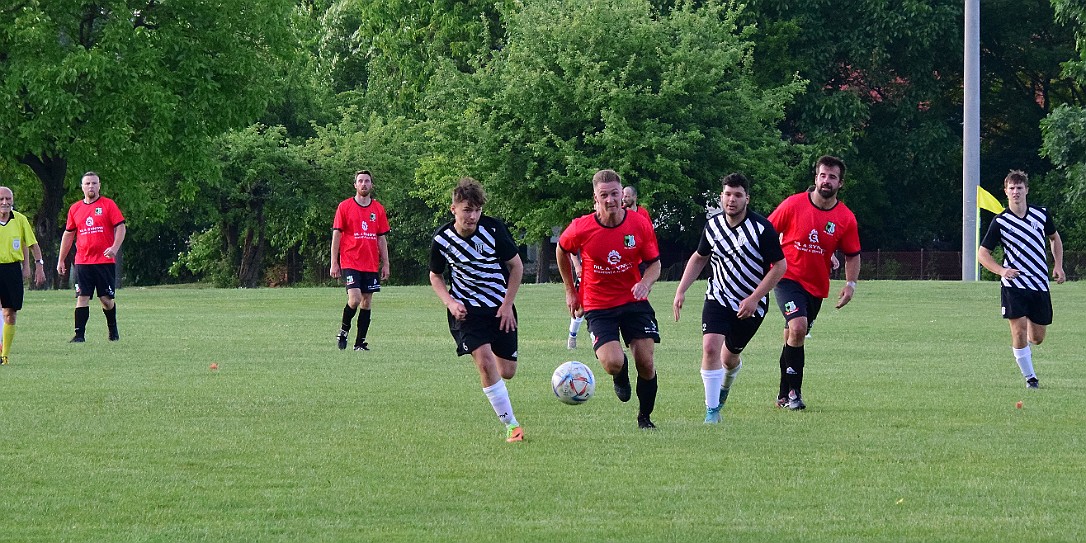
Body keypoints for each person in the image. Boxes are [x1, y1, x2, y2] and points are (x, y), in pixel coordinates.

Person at [673, 173, 787, 423]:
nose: (731, 200)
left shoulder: (761, 228)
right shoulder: (712, 225)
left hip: (750, 305)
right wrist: (681, 289)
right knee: (710, 347)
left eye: (737, 195)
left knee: (729, 356)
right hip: (717, 297)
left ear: (747, 198)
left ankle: (724, 387)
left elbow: (779, 266)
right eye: (727, 194)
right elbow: (699, 257)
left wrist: (755, 297)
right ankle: (711, 411)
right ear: (721, 197)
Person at [557, 169, 662, 429]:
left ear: (622, 194)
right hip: (598, 304)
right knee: (612, 362)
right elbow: (562, 249)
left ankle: (644, 418)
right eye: (604, 195)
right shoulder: (582, 227)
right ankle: (621, 374)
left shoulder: (639, 224)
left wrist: (645, 283)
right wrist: (570, 290)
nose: (611, 200)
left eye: (615, 194)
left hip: (634, 302)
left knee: (647, 363)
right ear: (596, 197)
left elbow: (655, 264)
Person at [429, 177, 525, 443]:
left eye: (477, 210)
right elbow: (435, 276)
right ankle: (512, 427)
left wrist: (507, 305)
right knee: (483, 362)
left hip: (499, 308)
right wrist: (450, 302)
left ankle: (491, 366)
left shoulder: (494, 230)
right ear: (454, 209)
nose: (473, 216)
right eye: (467, 210)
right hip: (466, 311)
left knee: (507, 371)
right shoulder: (442, 239)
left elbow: (516, 267)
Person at [767, 155, 861, 410]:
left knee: (792, 336)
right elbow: (766, 233)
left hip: (817, 287)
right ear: (815, 178)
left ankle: (782, 394)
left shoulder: (845, 218)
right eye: (822, 175)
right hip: (786, 278)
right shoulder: (793, 204)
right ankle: (796, 395)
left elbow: (852, 254)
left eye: (832, 177)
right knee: (797, 327)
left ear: (840, 183)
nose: (826, 180)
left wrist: (850, 285)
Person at [978, 169, 1065, 388]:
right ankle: (1031, 379)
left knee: (1037, 338)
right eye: (1011, 188)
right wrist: (1001, 271)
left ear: (1026, 190)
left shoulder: (1041, 215)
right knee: (1018, 330)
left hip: (1039, 283)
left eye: (1019, 188)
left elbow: (1054, 239)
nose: (1016, 192)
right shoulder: (1000, 222)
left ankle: (1026, 336)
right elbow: (982, 253)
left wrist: (1058, 265)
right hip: (1013, 285)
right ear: (1005, 192)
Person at [57, 172, 126, 343]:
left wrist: (114, 248)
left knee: (106, 299)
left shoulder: (108, 205)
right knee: (82, 296)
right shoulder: (75, 209)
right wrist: (61, 259)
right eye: (87, 183)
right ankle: (79, 335)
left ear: (99, 185)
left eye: (94, 183)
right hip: (83, 261)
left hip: (104, 261)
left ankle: (113, 330)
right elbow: (68, 234)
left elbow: (121, 227)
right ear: (82, 186)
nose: (91, 186)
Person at [330, 170, 390, 351]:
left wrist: (386, 263)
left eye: (367, 181)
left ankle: (360, 343)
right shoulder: (345, 207)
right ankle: (344, 330)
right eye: (360, 181)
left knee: (366, 302)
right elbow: (337, 235)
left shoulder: (378, 209)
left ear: (372, 185)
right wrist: (334, 261)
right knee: (354, 299)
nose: (364, 184)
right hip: (350, 261)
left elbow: (381, 238)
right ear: (355, 185)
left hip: (370, 262)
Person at [0, 187, 47, 364]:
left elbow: (32, 245)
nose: (5, 203)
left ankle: (5, 355)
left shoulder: (20, 219)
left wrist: (37, 266)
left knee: (10, 313)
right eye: (1, 199)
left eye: (8, 199)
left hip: (12, 269)